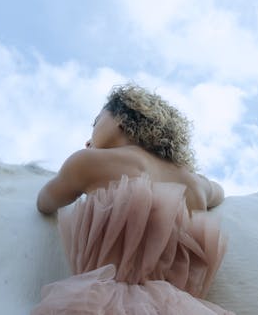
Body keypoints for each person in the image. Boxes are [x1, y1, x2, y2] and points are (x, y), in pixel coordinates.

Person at [32, 84, 234, 315]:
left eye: (96, 122)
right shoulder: (194, 183)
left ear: (121, 117)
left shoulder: (88, 162)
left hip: (102, 301)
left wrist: (86, 161)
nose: (89, 136)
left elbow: (45, 202)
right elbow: (219, 192)